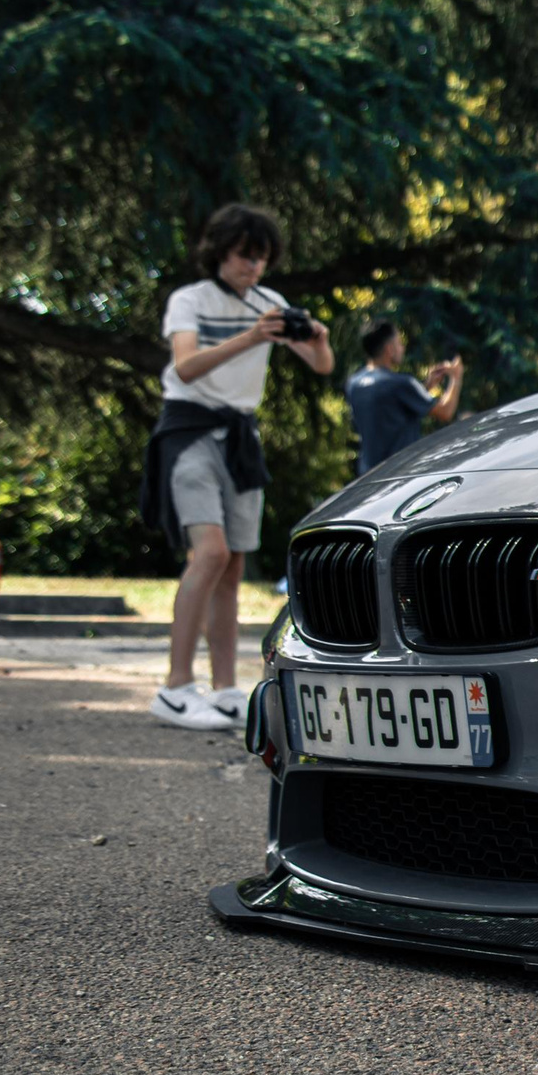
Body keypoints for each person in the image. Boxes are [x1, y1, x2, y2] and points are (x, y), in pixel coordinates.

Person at [139, 205, 334, 730]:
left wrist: (317, 341)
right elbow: (186, 365)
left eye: (262, 258)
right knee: (210, 552)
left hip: (241, 439)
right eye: (246, 256)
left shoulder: (271, 303)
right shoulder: (191, 300)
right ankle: (176, 686)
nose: (254, 267)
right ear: (220, 252)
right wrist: (252, 336)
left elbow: (322, 366)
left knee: (232, 569)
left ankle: (225, 689)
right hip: (189, 431)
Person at [345, 321, 464, 474]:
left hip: (370, 476)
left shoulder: (354, 384)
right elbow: (445, 412)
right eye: (399, 343)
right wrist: (456, 377)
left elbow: (388, 406)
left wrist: (426, 386)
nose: (403, 348)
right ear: (389, 349)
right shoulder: (401, 383)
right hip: (402, 474)